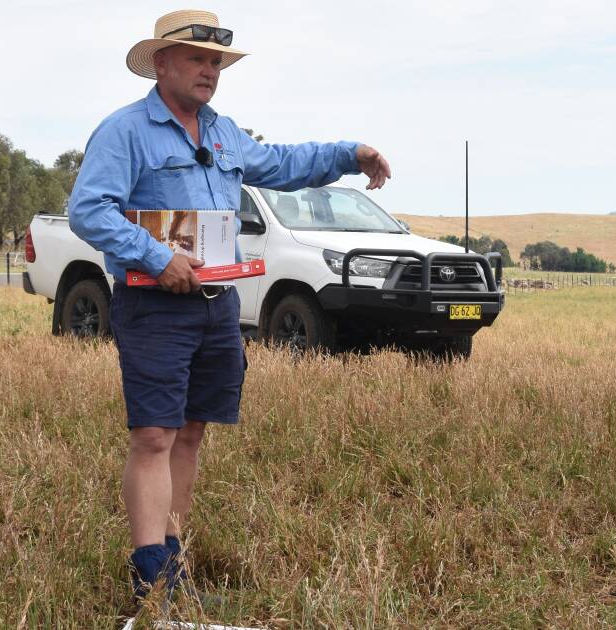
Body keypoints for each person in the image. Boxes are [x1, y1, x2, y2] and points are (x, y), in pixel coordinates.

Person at [67, 9, 391, 604]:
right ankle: (149, 583)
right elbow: (88, 210)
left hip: (217, 306)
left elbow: (286, 164)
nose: (209, 71)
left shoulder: (223, 133)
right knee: (155, 438)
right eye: (197, 58)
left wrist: (351, 153)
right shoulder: (125, 131)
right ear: (160, 62)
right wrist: (156, 256)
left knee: (190, 433)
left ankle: (173, 564)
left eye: (216, 62)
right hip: (152, 304)